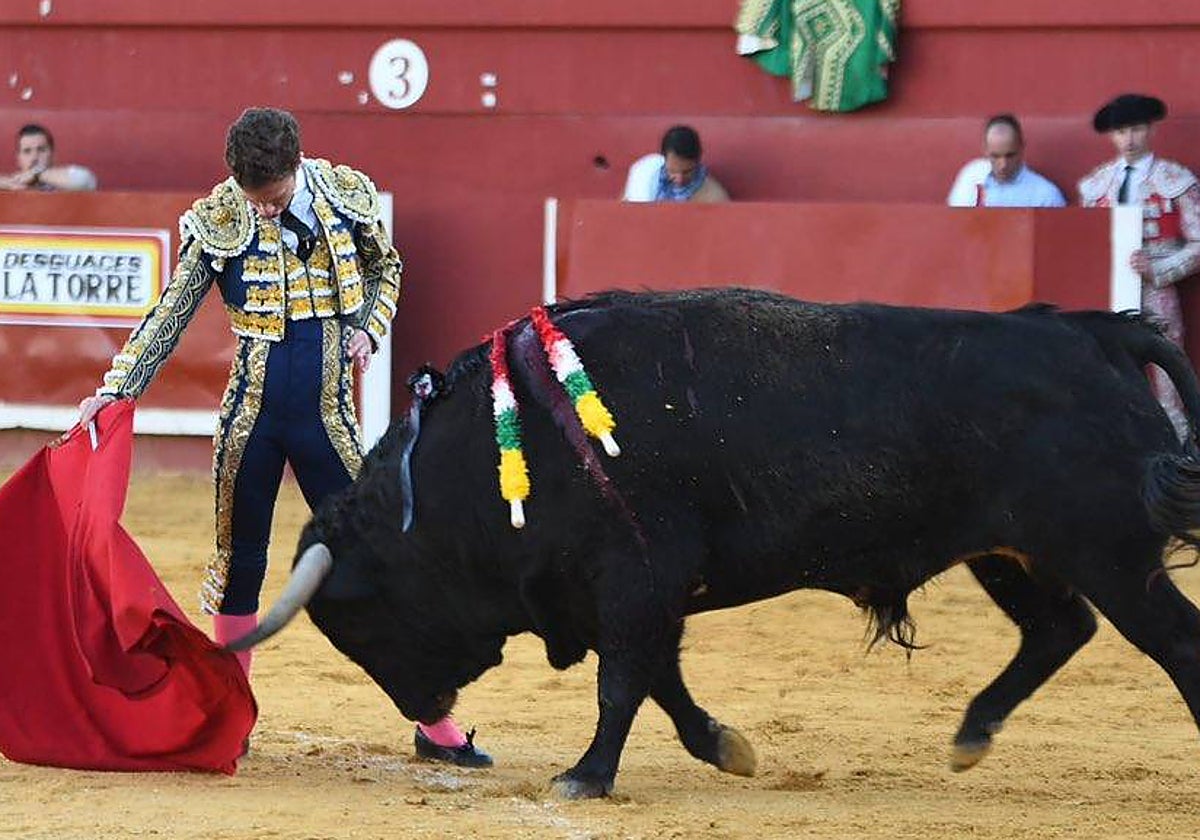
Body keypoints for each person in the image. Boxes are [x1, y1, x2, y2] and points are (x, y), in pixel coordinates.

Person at [76, 107, 491, 767]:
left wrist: (366, 324)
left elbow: (389, 269)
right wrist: (120, 386)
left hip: (328, 417)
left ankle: (433, 721)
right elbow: (172, 310)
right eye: (251, 199)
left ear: (295, 166)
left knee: (378, 560)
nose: (261, 212)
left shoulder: (344, 196)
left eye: (270, 199)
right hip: (251, 420)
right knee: (239, 565)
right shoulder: (222, 217)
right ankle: (231, 719)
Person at [1079, 93, 1200, 439]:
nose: (1128, 139)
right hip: (1108, 292)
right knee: (1107, 371)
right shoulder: (1095, 185)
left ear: (1150, 131)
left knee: (1167, 379)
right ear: (1111, 137)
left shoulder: (1176, 180)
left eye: (1135, 129)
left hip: (1158, 292)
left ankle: (1179, 455)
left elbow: (1198, 243)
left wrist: (1159, 270)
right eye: (1120, 132)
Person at [947, 114, 1066, 208]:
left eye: (1010, 156)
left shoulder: (1046, 197)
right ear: (985, 150)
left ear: (1021, 148)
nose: (1003, 165)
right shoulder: (970, 177)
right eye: (995, 156)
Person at [622, 125, 731, 203]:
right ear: (664, 158)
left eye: (687, 172)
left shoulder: (714, 197)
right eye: (672, 171)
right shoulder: (646, 175)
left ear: (698, 160)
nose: (679, 179)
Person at [0, 123, 97, 191]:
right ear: (18, 159)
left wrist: (36, 174)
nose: (34, 157)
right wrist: (8, 184)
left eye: (41, 150)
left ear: (52, 155)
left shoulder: (64, 183)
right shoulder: (11, 184)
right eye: (27, 151)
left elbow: (86, 180)